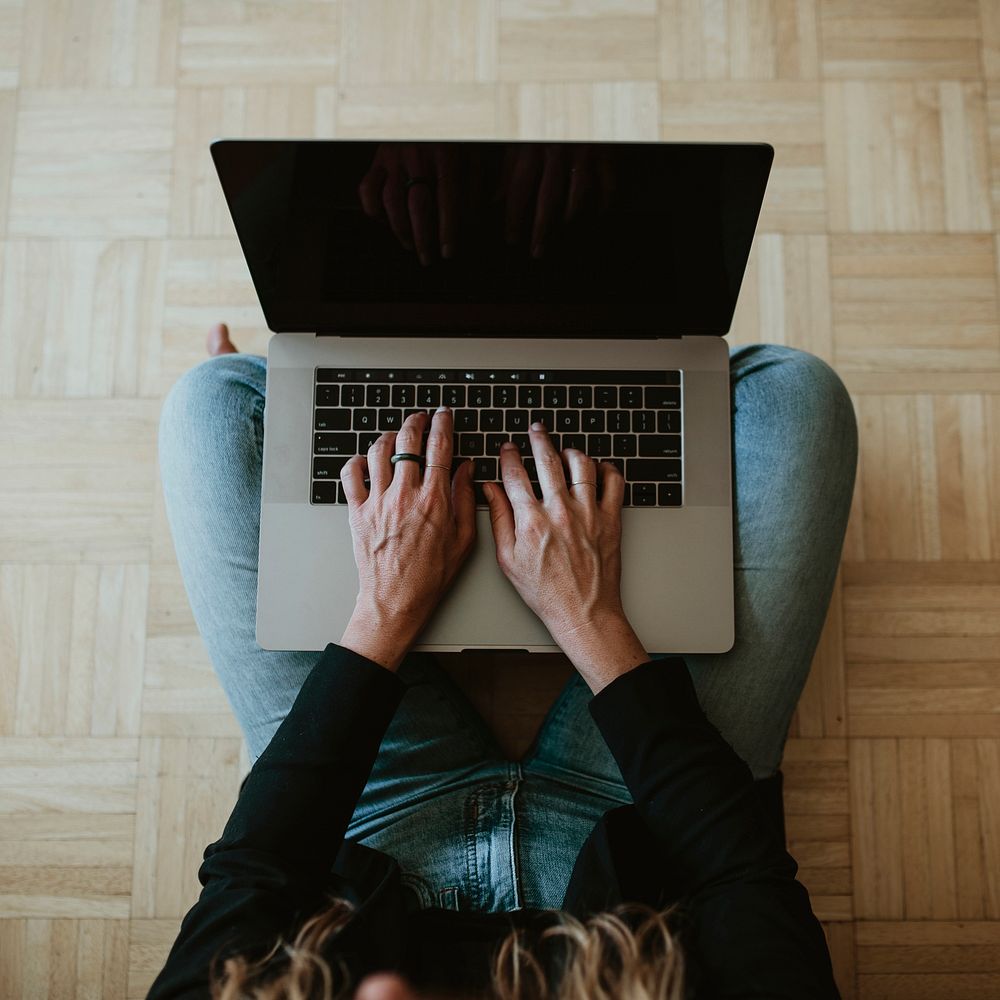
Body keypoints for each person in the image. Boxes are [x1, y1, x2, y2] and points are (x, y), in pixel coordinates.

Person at [149, 322, 857, 999]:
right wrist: (591, 618)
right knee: (794, 398)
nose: (383, 991)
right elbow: (740, 871)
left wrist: (385, 611)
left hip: (365, 819)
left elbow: (255, 871)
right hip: (645, 835)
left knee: (212, 408)